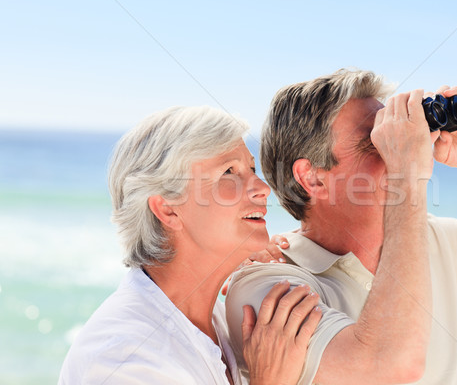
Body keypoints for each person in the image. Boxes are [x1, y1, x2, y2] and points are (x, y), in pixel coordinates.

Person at [224, 69, 457, 384]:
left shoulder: (439, 242)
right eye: (376, 142)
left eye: (395, 137)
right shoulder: (269, 286)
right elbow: (391, 365)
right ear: (313, 178)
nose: (397, 149)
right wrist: (407, 174)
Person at [58, 106, 323, 384]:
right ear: (168, 210)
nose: (262, 188)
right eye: (229, 172)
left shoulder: (220, 321)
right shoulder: (124, 357)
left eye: (252, 169)